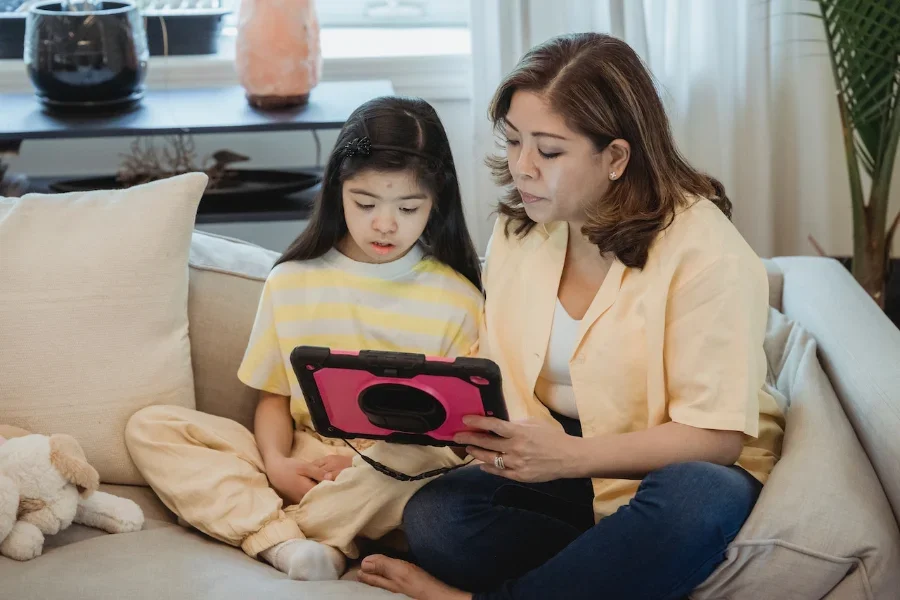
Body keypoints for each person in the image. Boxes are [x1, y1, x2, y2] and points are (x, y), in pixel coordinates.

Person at [357, 32, 785, 600]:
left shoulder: (710, 255)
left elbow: (716, 438)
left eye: (549, 150)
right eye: (513, 142)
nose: (522, 168)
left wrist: (575, 456)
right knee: (437, 518)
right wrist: (467, 428)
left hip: (678, 465)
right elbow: (501, 370)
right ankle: (611, 569)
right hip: (558, 460)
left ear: (615, 156)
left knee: (695, 500)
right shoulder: (520, 230)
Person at [125, 96, 484, 582]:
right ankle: (330, 536)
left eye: (408, 206)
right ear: (338, 189)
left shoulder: (458, 299)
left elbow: (459, 438)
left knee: (415, 461)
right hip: (303, 460)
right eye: (365, 203)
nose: (385, 223)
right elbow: (273, 398)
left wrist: (368, 469)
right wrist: (275, 465)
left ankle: (284, 538)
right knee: (154, 426)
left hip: (394, 472)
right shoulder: (290, 282)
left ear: (435, 203)